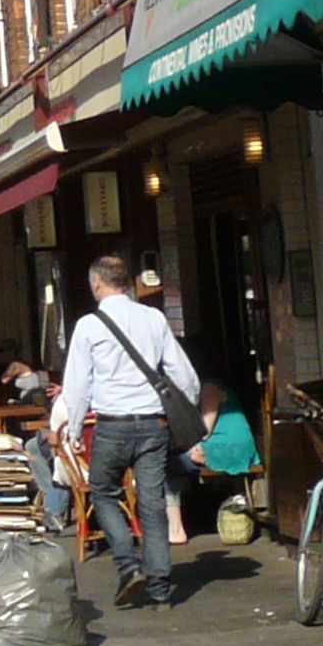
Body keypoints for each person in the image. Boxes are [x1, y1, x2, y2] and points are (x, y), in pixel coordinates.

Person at [53, 253, 204, 612]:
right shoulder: (153, 318)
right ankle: (160, 587)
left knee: (104, 493)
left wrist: (74, 427)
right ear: (128, 283)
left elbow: (76, 384)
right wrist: (190, 409)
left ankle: (128, 563)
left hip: (112, 425)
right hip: (155, 425)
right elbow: (184, 375)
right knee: (152, 502)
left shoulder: (89, 326)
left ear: (97, 283)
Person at [167, 382, 262, 545]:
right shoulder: (218, 388)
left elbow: (205, 430)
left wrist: (190, 445)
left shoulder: (209, 388)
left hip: (227, 447)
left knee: (167, 464)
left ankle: (176, 530)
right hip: (230, 445)